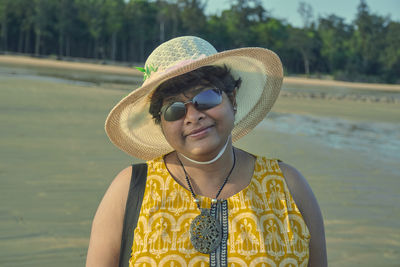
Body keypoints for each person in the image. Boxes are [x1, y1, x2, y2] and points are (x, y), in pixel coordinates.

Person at [86, 36, 327, 267]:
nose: (193, 116)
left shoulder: (288, 186)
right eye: (174, 109)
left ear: (232, 98)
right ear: (161, 122)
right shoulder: (130, 189)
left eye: (207, 97)